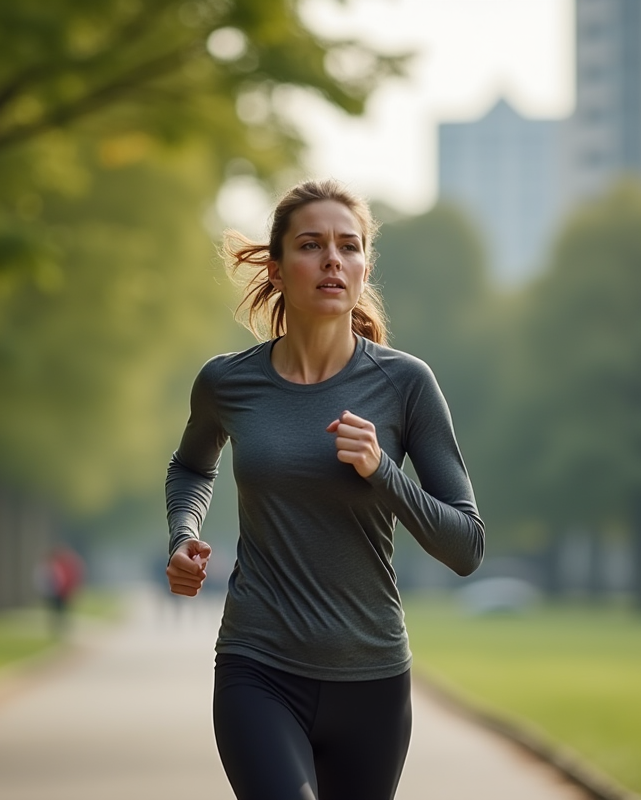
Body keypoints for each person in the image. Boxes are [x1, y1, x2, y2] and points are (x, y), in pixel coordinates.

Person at [164, 179, 485, 800]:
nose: (332, 259)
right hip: (258, 666)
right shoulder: (227, 382)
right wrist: (184, 534)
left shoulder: (406, 384)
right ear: (277, 268)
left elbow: (466, 547)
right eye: (311, 245)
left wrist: (383, 472)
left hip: (373, 679)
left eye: (348, 246)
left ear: (365, 268)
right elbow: (191, 467)